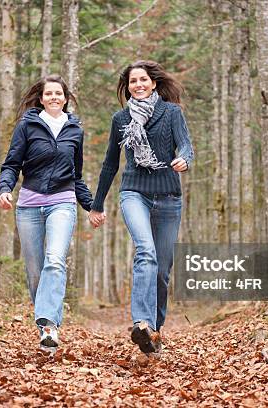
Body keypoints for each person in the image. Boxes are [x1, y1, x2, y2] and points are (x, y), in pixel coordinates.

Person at [88, 60, 194, 354]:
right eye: (133, 81)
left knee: (162, 270)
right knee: (145, 251)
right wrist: (96, 205)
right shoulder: (121, 119)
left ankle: (154, 333)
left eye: (143, 80)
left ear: (154, 83)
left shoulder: (172, 113)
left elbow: (186, 145)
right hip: (134, 192)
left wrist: (185, 159)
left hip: (169, 196)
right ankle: (141, 323)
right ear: (128, 87)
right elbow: (110, 164)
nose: (138, 85)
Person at [0, 75, 92, 351]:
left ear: (65, 98)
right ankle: (43, 330)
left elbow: (78, 175)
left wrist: (91, 205)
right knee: (35, 271)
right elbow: (11, 163)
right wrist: (5, 188)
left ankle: (50, 325)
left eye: (58, 93)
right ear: (41, 99)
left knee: (55, 260)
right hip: (28, 204)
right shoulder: (27, 125)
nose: (53, 97)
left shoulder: (75, 129)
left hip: (62, 202)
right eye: (48, 93)